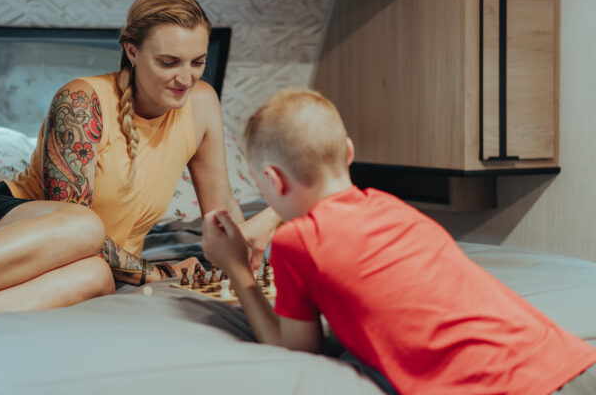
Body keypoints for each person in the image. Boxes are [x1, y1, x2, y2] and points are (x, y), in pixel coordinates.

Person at [0, 0, 280, 349]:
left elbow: (220, 214)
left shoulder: (201, 103)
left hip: (98, 262)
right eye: (168, 62)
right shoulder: (82, 101)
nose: (186, 77)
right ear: (132, 51)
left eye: (197, 62)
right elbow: (71, 231)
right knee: (84, 229)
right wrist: (156, 273)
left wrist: (275, 217)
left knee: (95, 278)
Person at [202, 88, 596, 395]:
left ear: (272, 181)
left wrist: (235, 266)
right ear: (349, 152)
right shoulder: (391, 206)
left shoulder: (296, 241)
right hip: (573, 360)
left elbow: (294, 348)